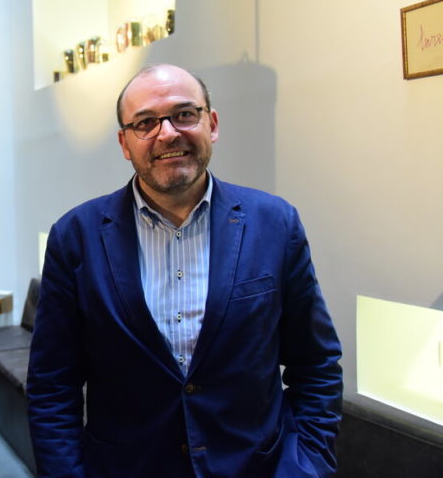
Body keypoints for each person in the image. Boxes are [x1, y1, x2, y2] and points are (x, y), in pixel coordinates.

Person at [26, 64, 343, 477]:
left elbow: (316, 365)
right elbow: (52, 385)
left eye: (184, 114)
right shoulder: (75, 237)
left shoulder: (275, 223)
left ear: (212, 124)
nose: (168, 133)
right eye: (145, 122)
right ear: (125, 143)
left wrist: (306, 467)